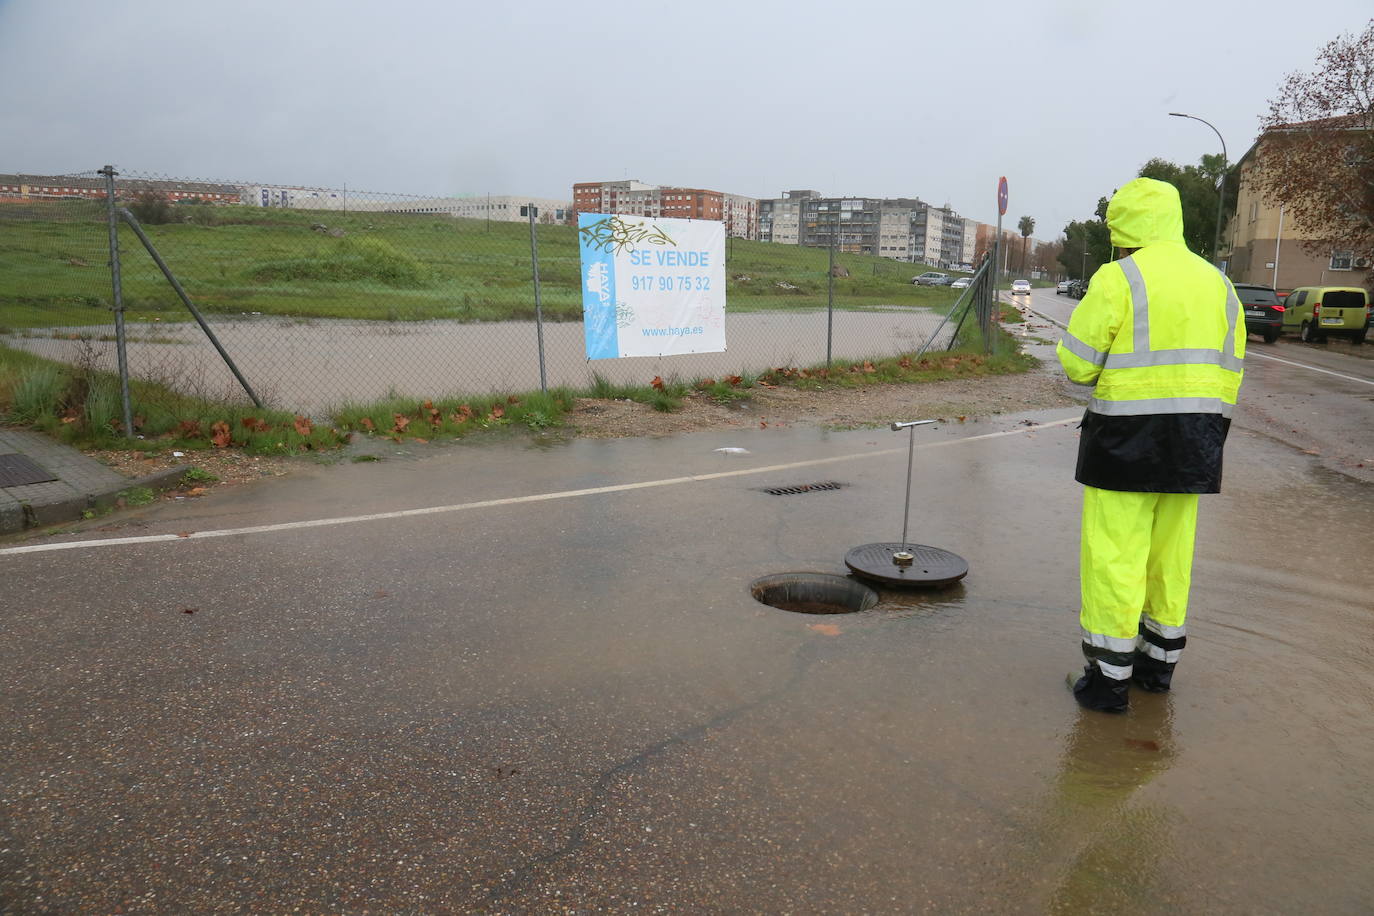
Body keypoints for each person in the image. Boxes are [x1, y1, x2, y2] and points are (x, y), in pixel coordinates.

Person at [1056, 177, 1244, 713]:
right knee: (1171, 556)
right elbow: (1232, 370)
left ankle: (1108, 682)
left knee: (1116, 556)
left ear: (1126, 229)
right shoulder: (1219, 285)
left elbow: (1078, 364)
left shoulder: (1120, 278)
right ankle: (1156, 670)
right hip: (1199, 440)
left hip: (1124, 440)